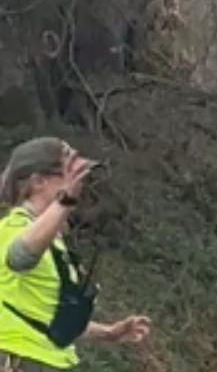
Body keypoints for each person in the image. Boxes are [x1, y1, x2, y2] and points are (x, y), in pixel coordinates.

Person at [0, 137, 150, 371]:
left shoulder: (55, 242)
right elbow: (19, 257)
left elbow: (51, 317)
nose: (80, 185)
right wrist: (64, 201)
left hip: (49, 362)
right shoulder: (14, 228)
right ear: (38, 181)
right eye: (71, 176)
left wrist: (109, 333)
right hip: (20, 360)